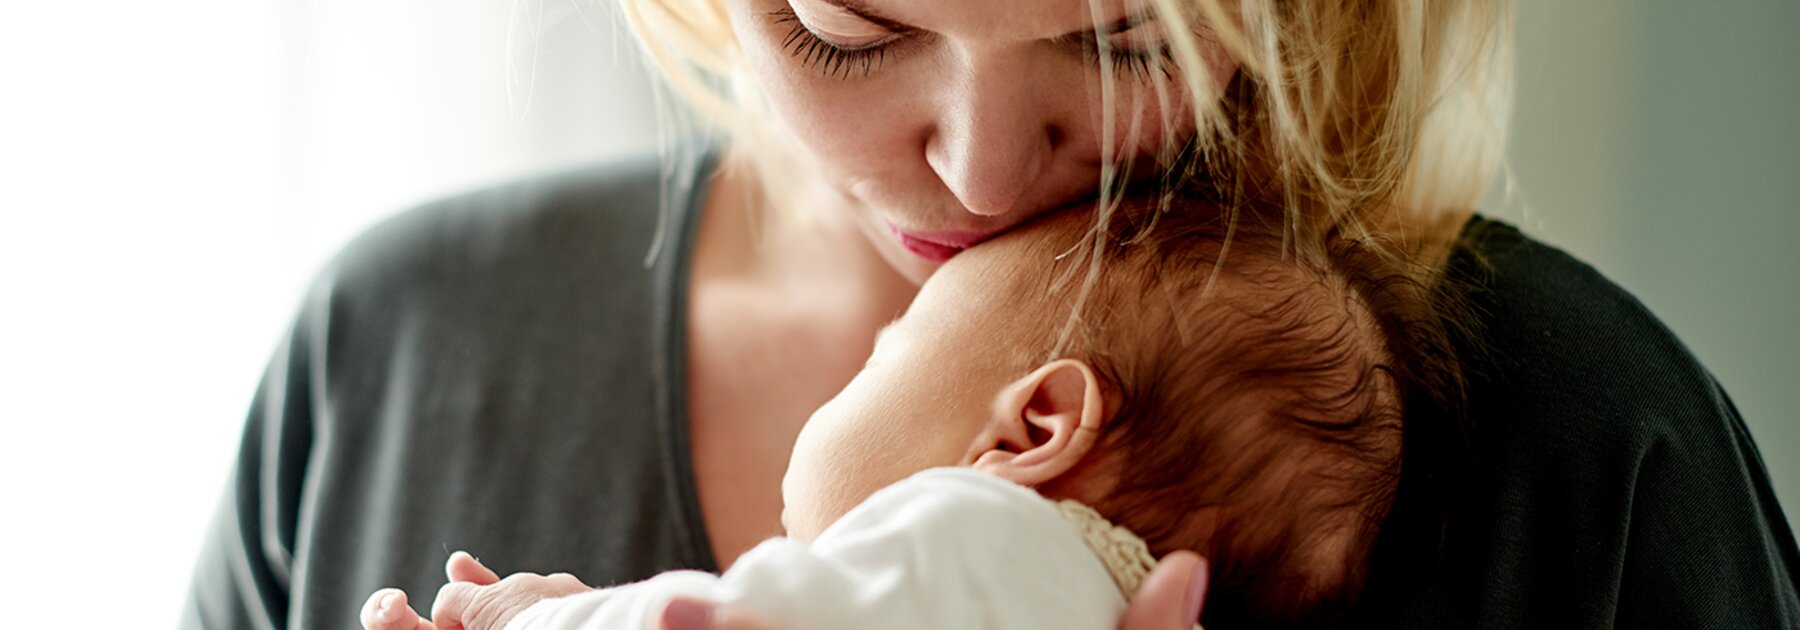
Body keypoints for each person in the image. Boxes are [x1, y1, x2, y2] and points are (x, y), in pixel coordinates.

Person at [183, 0, 1800, 627]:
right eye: (847, 29)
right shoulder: (392, 350)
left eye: (1119, 44)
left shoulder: (1587, 453)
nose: (970, 163)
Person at [355, 202, 1434, 630]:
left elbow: (753, 620)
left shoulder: (984, 537)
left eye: (892, 351)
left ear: (1032, 430)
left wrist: (533, 622)